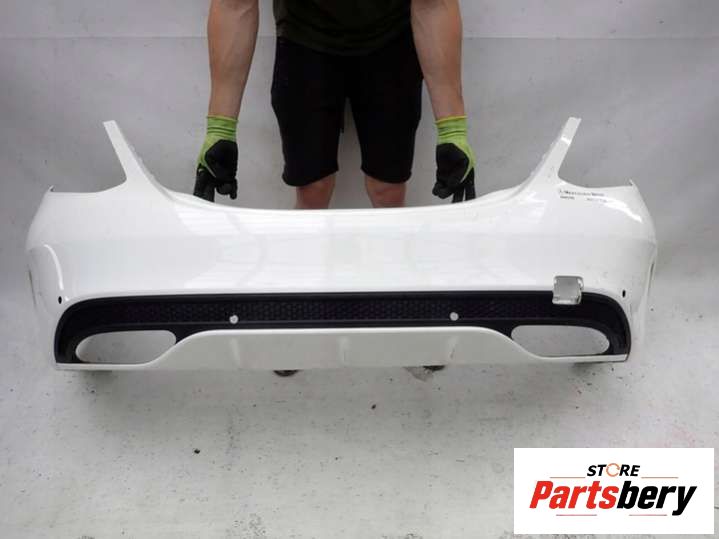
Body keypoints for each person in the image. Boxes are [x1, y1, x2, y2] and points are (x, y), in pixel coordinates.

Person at [194, 0, 476, 208]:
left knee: (388, 191)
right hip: (304, 36)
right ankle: (309, 269)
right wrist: (221, 130)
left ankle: (389, 268)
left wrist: (452, 132)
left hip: (389, 38)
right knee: (312, 189)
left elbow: (433, 4)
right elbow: (234, 4)